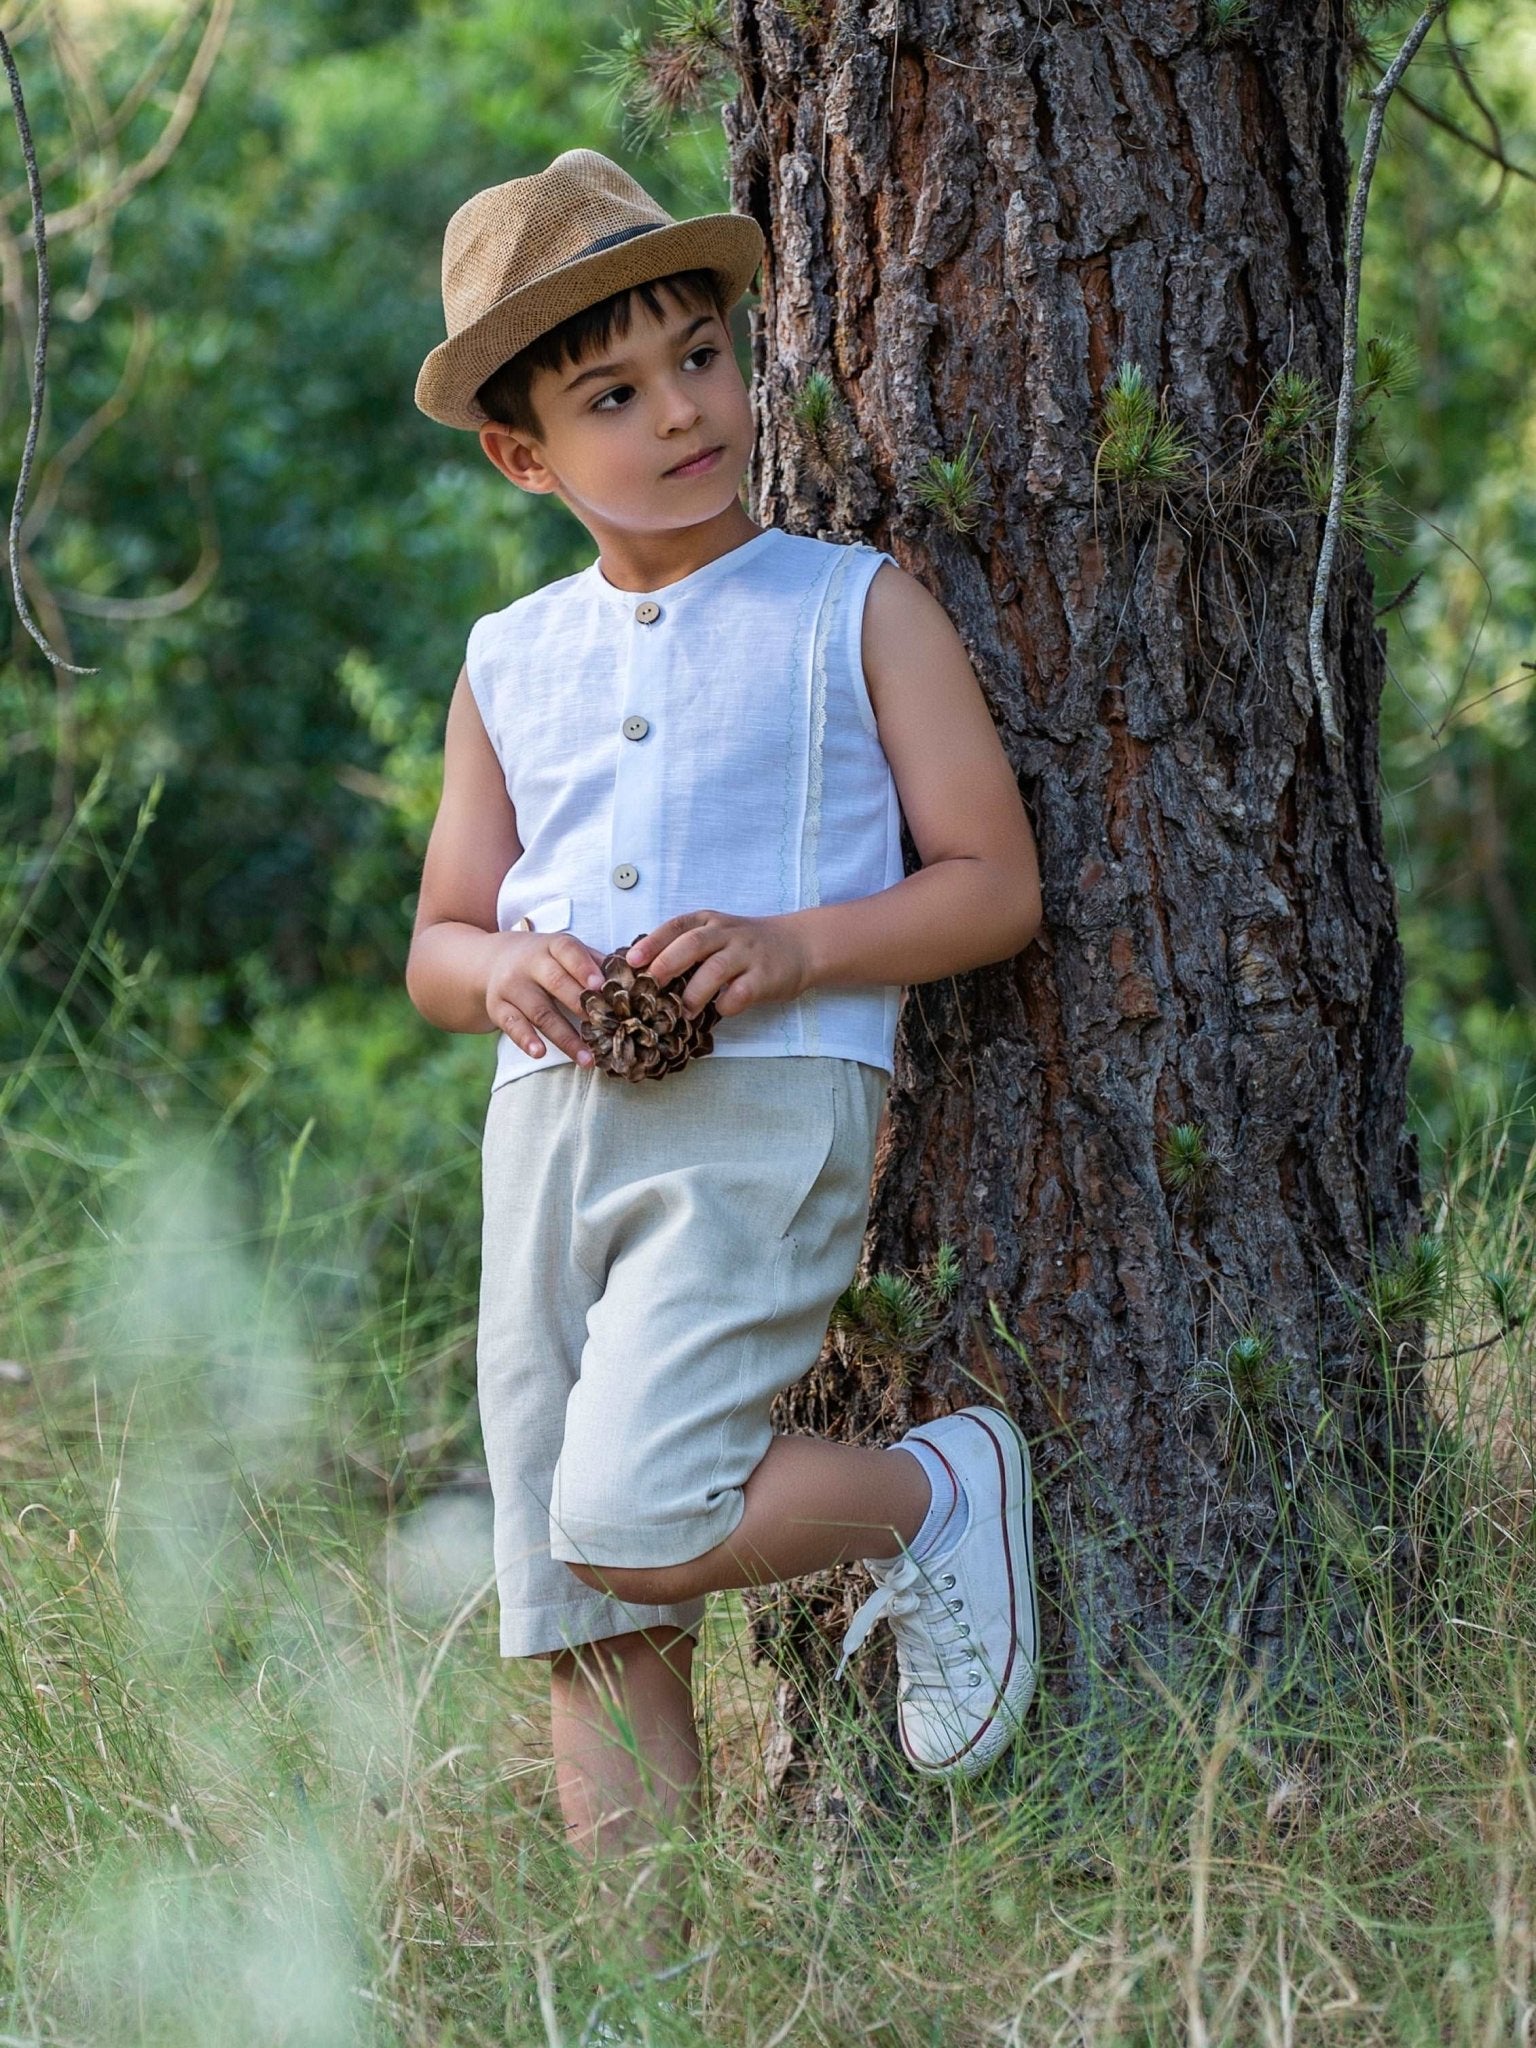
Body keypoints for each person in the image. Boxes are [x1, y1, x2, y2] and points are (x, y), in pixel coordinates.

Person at [406, 147, 1044, 1967]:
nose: (683, 410)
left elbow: (993, 883)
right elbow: (439, 943)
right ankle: (654, 1988)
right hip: (547, 1140)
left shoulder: (851, 603)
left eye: (701, 355)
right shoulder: (508, 660)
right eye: (615, 394)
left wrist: (789, 948)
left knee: (632, 1510)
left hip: (757, 1109)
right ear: (524, 456)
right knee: (579, 1602)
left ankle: (933, 1493)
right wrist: (503, 966)